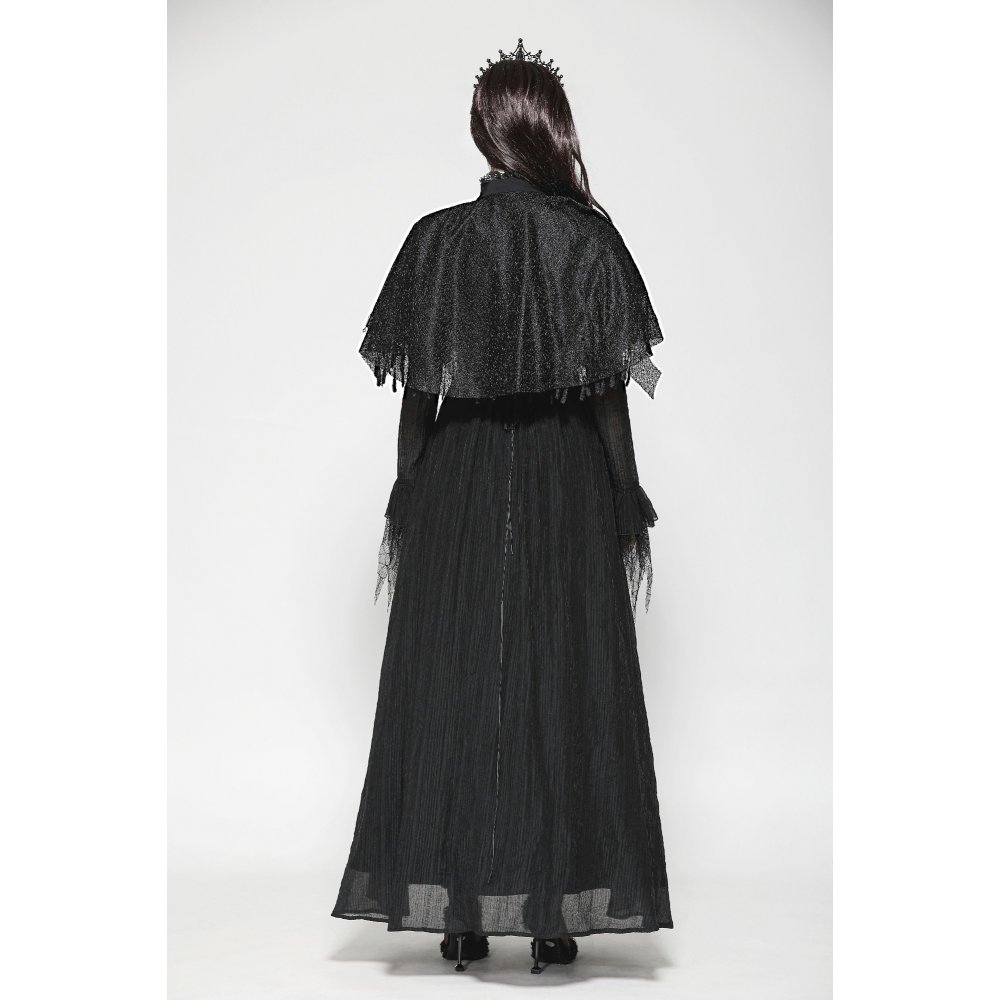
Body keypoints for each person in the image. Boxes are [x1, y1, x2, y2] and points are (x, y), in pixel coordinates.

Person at [331, 38, 673, 974]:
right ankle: (557, 914)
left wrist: (408, 488)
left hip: (461, 470)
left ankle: (459, 912)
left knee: (455, 682)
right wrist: (625, 490)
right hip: (566, 471)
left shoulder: (438, 240)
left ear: (485, 132)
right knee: (563, 680)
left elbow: (417, 390)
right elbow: (609, 390)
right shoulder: (589, 241)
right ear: (549, 130)